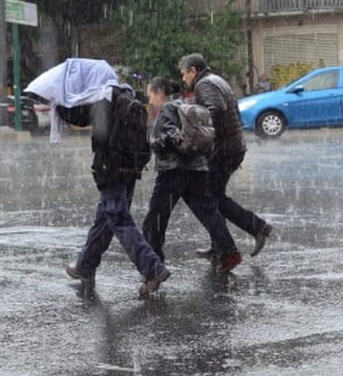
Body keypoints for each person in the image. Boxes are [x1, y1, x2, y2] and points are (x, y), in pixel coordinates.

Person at [50, 61, 171, 298]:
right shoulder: (126, 94)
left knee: (117, 218)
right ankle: (85, 266)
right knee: (105, 219)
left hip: (111, 167)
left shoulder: (102, 97)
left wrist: (60, 103)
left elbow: (79, 118)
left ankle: (152, 269)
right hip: (130, 167)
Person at [178, 53, 273, 269]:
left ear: (193, 70)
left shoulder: (204, 85)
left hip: (223, 150)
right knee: (213, 196)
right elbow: (232, 114)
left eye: (184, 74)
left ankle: (256, 228)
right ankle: (221, 243)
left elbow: (216, 111)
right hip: (231, 148)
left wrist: (203, 137)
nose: (184, 79)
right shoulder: (217, 80)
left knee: (210, 198)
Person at [141, 77, 241, 273]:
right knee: (208, 213)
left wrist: (155, 142)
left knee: (156, 217)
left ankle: (152, 262)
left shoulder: (168, 108)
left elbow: (173, 137)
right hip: (197, 169)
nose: (150, 100)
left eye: (151, 95)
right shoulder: (188, 105)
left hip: (173, 171)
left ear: (160, 92)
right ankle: (229, 253)